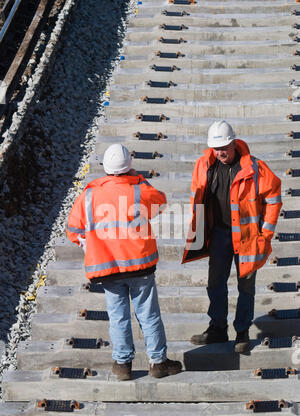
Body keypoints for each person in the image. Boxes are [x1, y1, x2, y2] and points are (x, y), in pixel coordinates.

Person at [66, 143, 182, 380]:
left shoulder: (89, 195)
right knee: (148, 315)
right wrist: (140, 180)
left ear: (106, 168)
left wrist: (91, 246)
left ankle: (122, 365)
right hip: (140, 266)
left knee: (118, 316)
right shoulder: (139, 189)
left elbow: (73, 230)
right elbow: (161, 201)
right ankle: (158, 362)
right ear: (130, 167)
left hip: (107, 268)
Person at [182, 121, 282, 353]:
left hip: (247, 238)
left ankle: (242, 332)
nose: (220, 153)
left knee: (246, 286)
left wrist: (265, 234)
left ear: (234, 143)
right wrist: (197, 232)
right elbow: (196, 196)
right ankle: (217, 328)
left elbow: (274, 198)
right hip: (218, 235)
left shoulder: (255, 168)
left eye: (224, 147)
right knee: (215, 283)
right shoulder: (204, 164)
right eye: (216, 149)